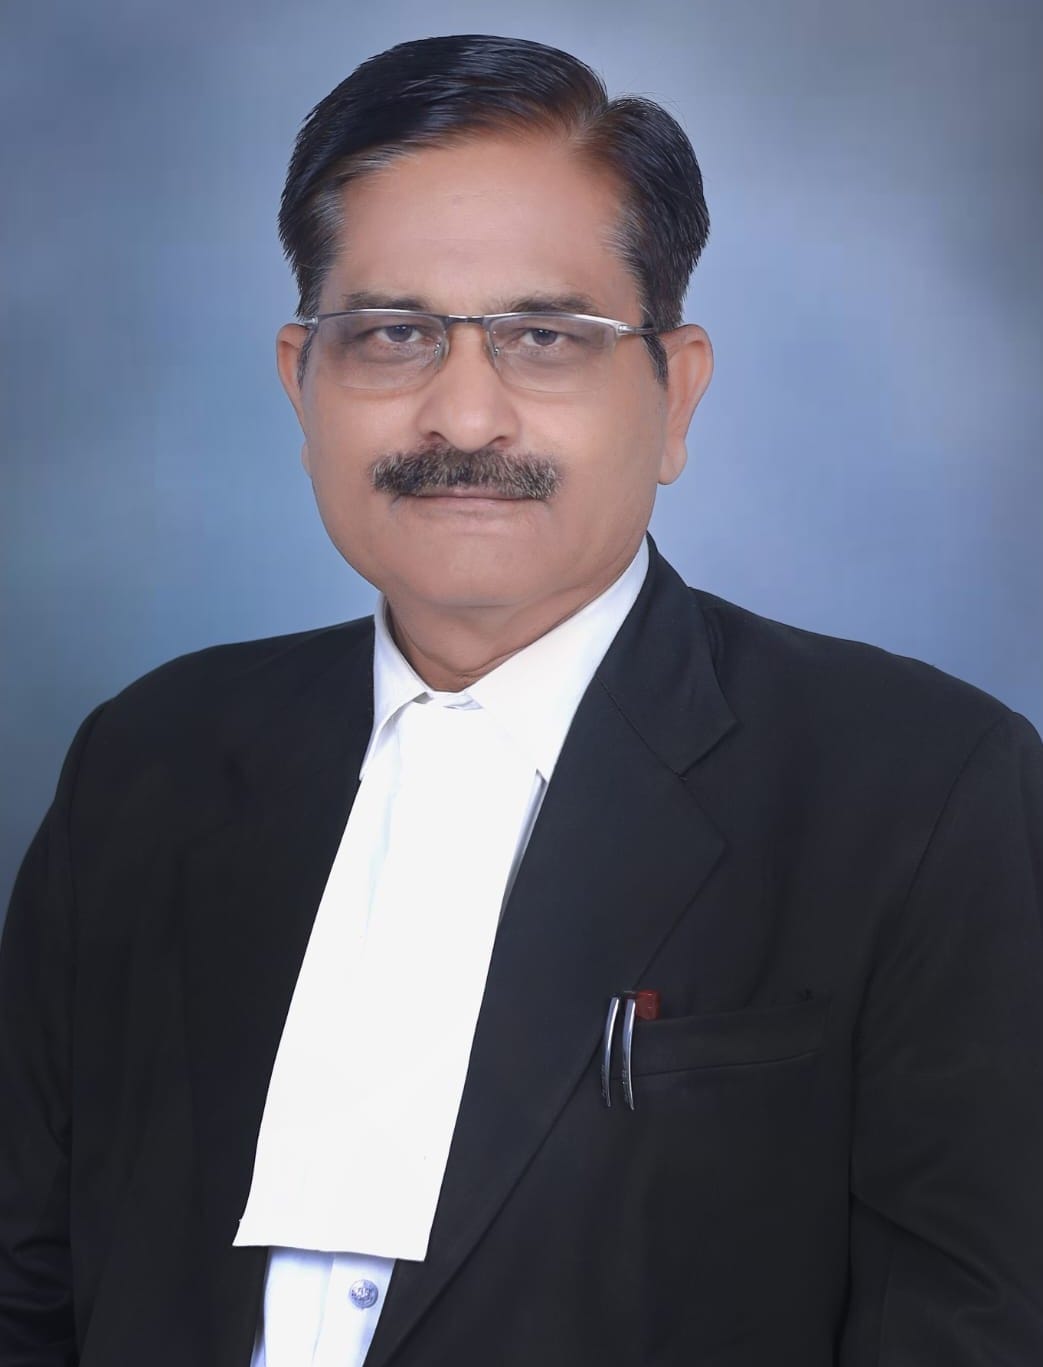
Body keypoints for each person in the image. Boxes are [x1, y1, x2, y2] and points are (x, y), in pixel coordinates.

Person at [1, 32, 1041, 1367]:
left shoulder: (919, 791)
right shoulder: (149, 760)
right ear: (300, 382)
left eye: (545, 337)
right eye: (393, 335)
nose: (464, 417)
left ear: (676, 393)